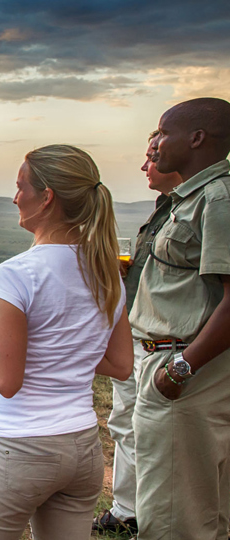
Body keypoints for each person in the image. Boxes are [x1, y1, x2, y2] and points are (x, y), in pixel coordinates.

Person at [0, 145, 133, 540]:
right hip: (82, 449)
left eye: (21, 187)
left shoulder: (15, 274)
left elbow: (6, 381)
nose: (15, 197)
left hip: (16, 448)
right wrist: (62, 351)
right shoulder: (106, 273)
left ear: (47, 196)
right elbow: (122, 364)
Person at [128, 97, 230, 540]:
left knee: (173, 518)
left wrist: (181, 369)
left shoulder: (217, 199)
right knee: (204, 511)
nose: (156, 144)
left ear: (197, 138)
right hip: (181, 363)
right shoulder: (192, 197)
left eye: (164, 132)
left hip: (186, 370)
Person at [92, 133, 183, 535]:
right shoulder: (166, 208)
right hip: (138, 333)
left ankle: (156, 517)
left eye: (153, 156)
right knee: (126, 422)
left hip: (167, 344)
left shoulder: (204, 206)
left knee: (155, 433)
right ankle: (128, 510)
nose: (145, 165)